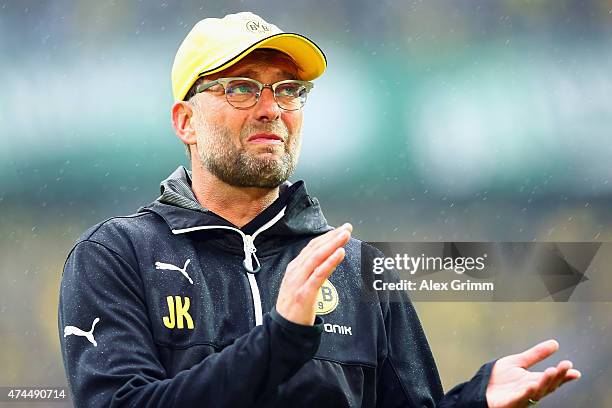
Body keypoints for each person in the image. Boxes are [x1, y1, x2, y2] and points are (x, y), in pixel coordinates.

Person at [58, 12, 580, 407]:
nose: (272, 108)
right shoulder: (115, 256)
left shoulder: (357, 268)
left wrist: (471, 403)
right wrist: (279, 342)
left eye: (289, 90)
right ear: (185, 121)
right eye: (241, 88)